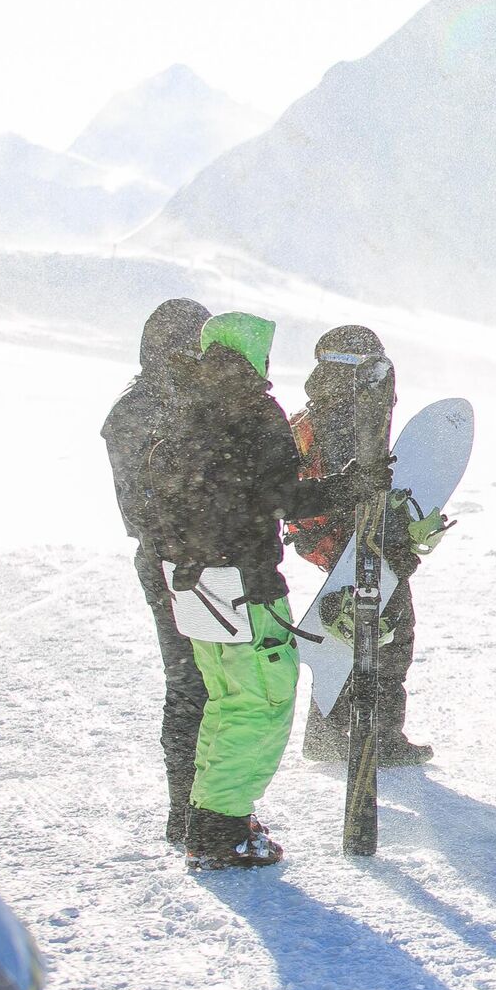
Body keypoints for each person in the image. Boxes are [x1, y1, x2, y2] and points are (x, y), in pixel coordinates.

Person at [141, 311, 383, 869]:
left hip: (191, 582)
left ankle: (210, 816)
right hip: (243, 582)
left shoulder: (183, 405)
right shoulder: (249, 409)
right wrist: (349, 487)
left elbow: (170, 491)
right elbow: (278, 497)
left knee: (226, 700)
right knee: (261, 702)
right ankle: (220, 830)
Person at [287, 325, 438, 767]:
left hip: (336, 542)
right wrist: (391, 541)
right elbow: (357, 489)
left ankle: (328, 733)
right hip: (359, 542)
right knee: (388, 635)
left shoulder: (321, 410)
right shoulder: (349, 417)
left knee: (346, 631)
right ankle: (381, 736)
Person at [101, 298, 213, 846]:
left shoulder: (171, 405)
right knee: (196, 684)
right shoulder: (149, 412)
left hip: (187, 559)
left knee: (208, 684)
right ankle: (191, 809)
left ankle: (202, 808)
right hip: (180, 563)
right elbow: (143, 508)